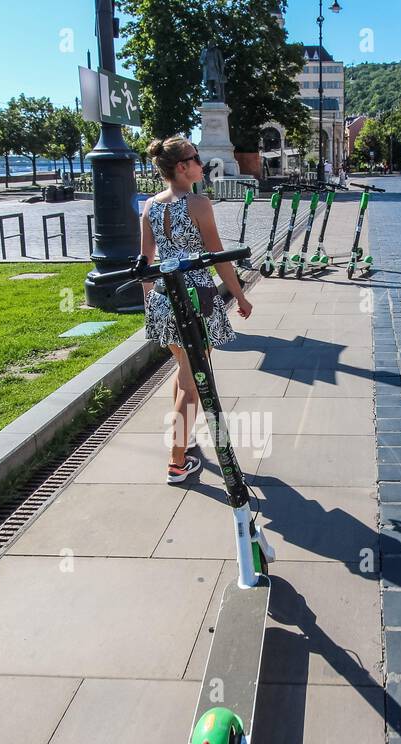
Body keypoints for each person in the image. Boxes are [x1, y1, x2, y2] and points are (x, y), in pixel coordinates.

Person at [140, 136, 254, 484]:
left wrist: (150, 301)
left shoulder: (150, 206)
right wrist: (240, 295)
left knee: (182, 368)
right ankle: (177, 462)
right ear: (181, 167)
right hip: (195, 297)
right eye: (195, 157)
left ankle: (184, 439)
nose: (201, 162)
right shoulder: (199, 204)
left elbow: (145, 262)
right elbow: (219, 259)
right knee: (193, 382)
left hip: (164, 295)